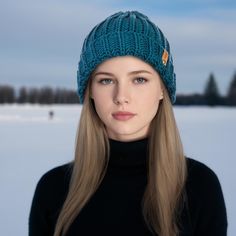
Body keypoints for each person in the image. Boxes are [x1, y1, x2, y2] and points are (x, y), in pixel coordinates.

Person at [28, 11, 227, 236]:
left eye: (139, 79)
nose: (121, 96)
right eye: (106, 80)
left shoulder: (200, 187)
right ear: (90, 91)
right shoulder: (53, 191)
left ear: (162, 89)